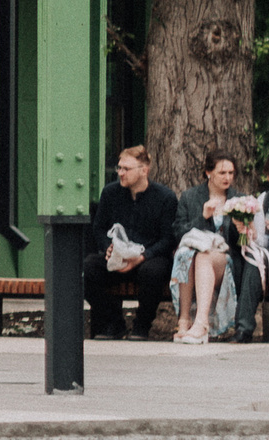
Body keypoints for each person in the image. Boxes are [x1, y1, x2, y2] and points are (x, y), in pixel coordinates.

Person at [86, 145, 182, 340]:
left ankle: (141, 327)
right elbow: (99, 228)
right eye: (119, 168)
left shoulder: (165, 197)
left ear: (144, 170)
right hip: (117, 256)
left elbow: (168, 239)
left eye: (126, 169)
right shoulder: (110, 193)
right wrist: (107, 247)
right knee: (89, 267)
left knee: (153, 272)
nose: (120, 173)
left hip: (149, 258)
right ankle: (113, 323)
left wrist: (143, 256)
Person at [170, 153, 240, 344]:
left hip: (225, 259)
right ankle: (184, 321)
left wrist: (240, 227)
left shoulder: (238, 199)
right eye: (222, 173)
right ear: (209, 172)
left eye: (231, 173)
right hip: (194, 256)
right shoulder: (190, 196)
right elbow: (179, 234)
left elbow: (238, 243)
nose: (227, 177)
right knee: (186, 253)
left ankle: (201, 324)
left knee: (203, 256)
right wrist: (203, 217)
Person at [230, 167, 269, 342]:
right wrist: (253, 233)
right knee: (255, 259)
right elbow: (263, 243)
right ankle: (243, 329)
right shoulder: (265, 198)